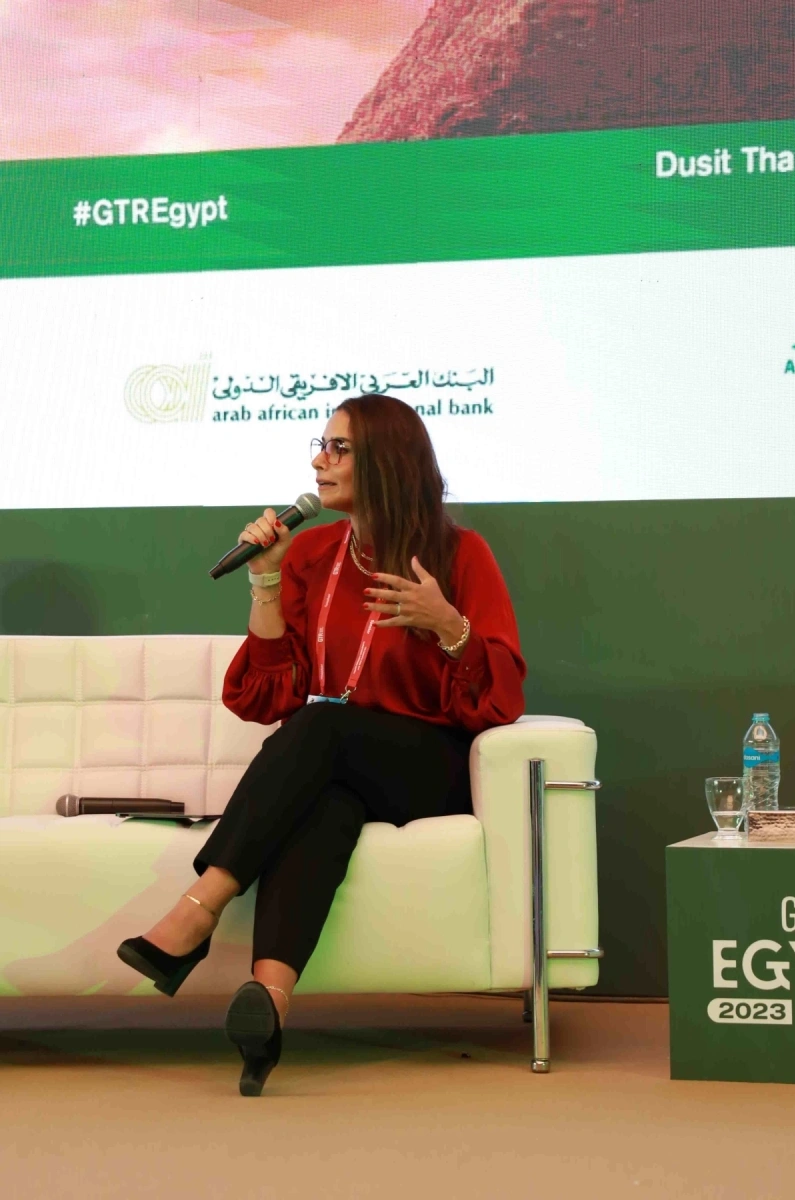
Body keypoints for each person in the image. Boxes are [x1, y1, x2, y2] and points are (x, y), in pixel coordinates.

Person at [117, 393, 526, 1096]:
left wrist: (448, 624)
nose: (318, 461)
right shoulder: (313, 553)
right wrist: (266, 578)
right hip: (337, 759)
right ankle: (268, 1006)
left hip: (429, 765)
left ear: (386, 462)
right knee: (326, 801)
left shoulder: (461, 553)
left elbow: (502, 698)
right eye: (321, 445)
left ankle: (200, 907)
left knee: (322, 726)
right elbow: (269, 694)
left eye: (339, 448)